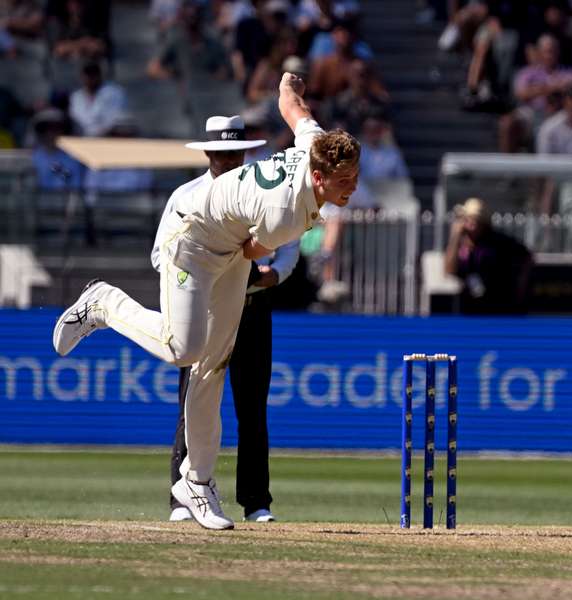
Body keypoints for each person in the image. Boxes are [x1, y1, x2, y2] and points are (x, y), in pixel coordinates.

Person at [52, 72, 360, 530]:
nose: (352, 188)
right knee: (185, 350)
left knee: (212, 367)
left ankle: (195, 482)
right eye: (345, 181)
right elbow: (255, 250)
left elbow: (295, 110)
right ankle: (103, 303)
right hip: (193, 242)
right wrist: (289, 94)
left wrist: (287, 85)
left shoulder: (311, 144)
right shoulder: (284, 217)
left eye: (354, 177)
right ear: (318, 176)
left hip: (229, 249)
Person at [149, 114, 300, 524]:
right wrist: (193, 278)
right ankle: (184, 498)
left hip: (252, 305)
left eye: (235, 152)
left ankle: (256, 502)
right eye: (223, 154)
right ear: (209, 155)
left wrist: (274, 275)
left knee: (251, 408)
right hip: (203, 307)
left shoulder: (261, 191)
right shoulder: (187, 195)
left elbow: (288, 244)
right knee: (192, 401)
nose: (230, 160)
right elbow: (160, 254)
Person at [444, 197, 533, 315]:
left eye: (475, 220)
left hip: (499, 305)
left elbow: (526, 256)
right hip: (471, 305)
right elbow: (449, 269)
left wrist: (520, 288)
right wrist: (455, 237)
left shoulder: (498, 242)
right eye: (467, 220)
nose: (471, 225)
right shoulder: (460, 246)